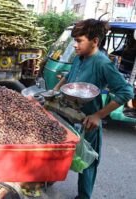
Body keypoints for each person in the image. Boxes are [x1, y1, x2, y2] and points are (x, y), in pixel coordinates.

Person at [53, 19, 134, 199]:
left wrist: (98, 115)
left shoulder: (102, 63)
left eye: (79, 40)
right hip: (68, 116)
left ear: (95, 41)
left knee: (87, 161)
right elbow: (69, 77)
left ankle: (84, 196)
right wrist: (55, 90)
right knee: (59, 152)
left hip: (88, 121)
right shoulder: (79, 57)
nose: (75, 45)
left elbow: (126, 91)